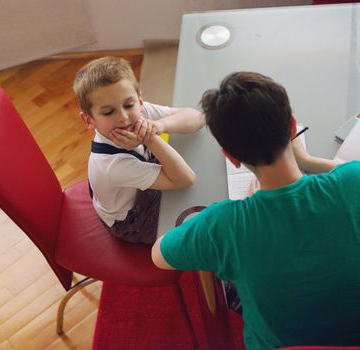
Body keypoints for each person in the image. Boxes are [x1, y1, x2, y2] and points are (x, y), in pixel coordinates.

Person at [151, 71, 360, 349]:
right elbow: (349, 172)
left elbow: (159, 256)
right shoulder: (351, 181)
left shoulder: (221, 225)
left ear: (231, 156)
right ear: (292, 126)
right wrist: (307, 160)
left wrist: (205, 220)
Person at [73, 56, 205, 244]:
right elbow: (186, 179)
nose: (124, 117)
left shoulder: (140, 113)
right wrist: (150, 139)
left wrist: (159, 126)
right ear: (89, 120)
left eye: (129, 105)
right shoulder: (113, 166)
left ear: (140, 100)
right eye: (108, 112)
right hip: (133, 220)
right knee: (199, 226)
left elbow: (197, 118)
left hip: (132, 187)